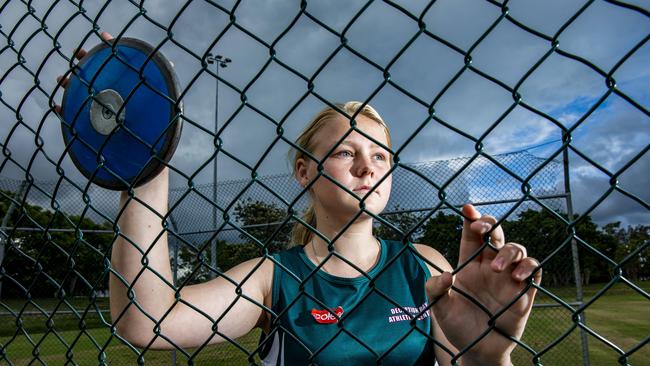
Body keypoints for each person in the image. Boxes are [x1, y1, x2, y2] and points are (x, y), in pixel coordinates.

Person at [57, 32, 542, 366]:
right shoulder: (275, 278)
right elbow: (148, 323)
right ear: (304, 172)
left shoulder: (424, 265)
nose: (367, 166)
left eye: (380, 155)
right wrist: (143, 154)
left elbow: (475, 358)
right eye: (345, 151)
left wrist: (488, 354)